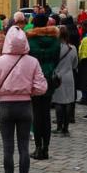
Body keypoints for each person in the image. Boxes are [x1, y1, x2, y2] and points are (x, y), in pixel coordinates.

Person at [0, 26, 47, 173]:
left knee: (7, 148)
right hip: (25, 106)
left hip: (5, 106)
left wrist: (3, 91)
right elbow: (41, 87)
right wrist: (28, 90)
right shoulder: (32, 62)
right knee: (24, 148)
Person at [27, 14, 61, 159]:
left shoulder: (30, 40)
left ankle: (38, 147)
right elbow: (57, 59)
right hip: (49, 79)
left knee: (36, 113)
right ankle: (45, 148)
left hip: (34, 78)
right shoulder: (55, 40)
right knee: (46, 114)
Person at [52, 26, 78, 137]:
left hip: (57, 76)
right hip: (69, 76)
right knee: (68, 101)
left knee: (58, 102)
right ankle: (66, 128)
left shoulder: (54, 48)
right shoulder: (73, 48)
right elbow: (75, 64)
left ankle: (59, 126)